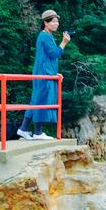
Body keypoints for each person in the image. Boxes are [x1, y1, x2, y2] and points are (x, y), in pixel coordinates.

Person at [17, 9, 71, 140]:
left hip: (43, 71)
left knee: (36, 100)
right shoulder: (46, 36)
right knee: (42, 100)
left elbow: (46, 59)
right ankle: (37, 132)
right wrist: (64, 42)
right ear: (45, 23)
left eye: (57, 21)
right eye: (53, 21)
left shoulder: (44, 35)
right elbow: (54, 54)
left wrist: (54, 73)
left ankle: (23, 129)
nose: (56, 24)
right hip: (43, 74)